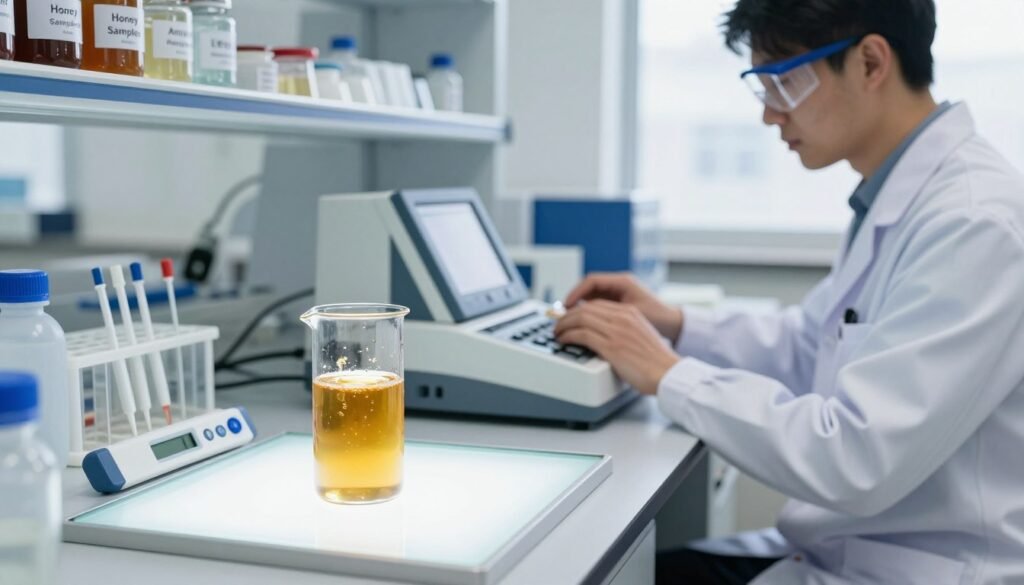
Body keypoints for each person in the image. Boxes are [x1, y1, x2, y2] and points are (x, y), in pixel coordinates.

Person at [554, 0, 1024, 583]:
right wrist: (676, 325)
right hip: (853, 550)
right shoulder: (898, 197)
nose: (769, 114)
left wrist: (668, 374)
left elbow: (856, 458)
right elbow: (811, 344)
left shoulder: (973, 223)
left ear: (871, 62)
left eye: (784, 82)